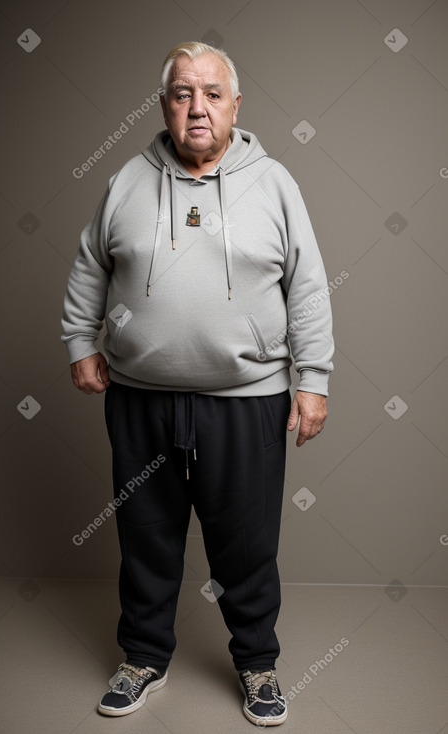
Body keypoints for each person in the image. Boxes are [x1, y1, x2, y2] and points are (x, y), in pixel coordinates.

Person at [61, 41, 334, 727]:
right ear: (163, 106)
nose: (197, 107)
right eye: (182, 93)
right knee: (145, 534)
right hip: (139, 396)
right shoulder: (126, 178)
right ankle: (143, 658)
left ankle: (257, 665)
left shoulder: (273, 183)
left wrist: (313, 380)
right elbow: (90, 265)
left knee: (245, 542)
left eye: (211, 93)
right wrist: (78, 341)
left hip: (247, 400)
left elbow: (306, 287)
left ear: (235, 105)